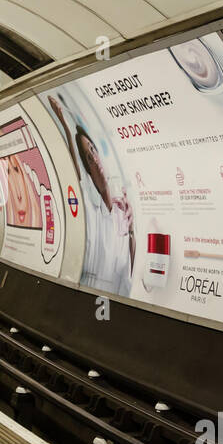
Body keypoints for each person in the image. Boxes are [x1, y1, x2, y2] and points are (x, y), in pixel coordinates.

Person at [47, 93, 134, 297]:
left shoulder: (122, 216)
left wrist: (132, 233)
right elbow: (74, 169)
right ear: (87, 169)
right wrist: (64, 124)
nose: (95, 159)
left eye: (94, 150)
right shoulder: (89, 210)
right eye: (88, 156)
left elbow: (129, 268)